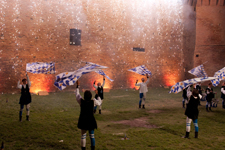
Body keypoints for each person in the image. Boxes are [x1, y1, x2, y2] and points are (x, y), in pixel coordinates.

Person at [75, 81, 97, 150]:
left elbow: (77, 94)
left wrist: (77, 86)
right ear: (91, 96)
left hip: (83, 120)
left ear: (84, 96)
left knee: (83, 136)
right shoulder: (93, 101)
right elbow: (99, 102)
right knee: (92, 136)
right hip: (91, 120)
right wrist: (97, 94)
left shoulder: (81, 101)